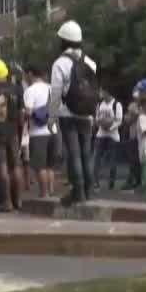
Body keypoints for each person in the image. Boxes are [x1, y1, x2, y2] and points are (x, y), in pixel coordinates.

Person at [49, 20, 98, 206]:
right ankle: (89, 190)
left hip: (68, 114)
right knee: (87, 153)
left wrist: (52, 118)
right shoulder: (90, 63)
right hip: (87, 114)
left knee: (74, 154)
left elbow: (55, 93)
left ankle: (78, 192)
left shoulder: (60, 64)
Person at [0, 59, 24, 212]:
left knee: (2, 166)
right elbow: (22, 113)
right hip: (13, 130)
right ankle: (19, 200)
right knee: (16, 165)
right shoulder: (16, 88)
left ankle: (7, 202)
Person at [23, 67, 55, 199]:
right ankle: (51, 191)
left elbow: (29, 112)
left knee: (40, 166)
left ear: (31, 74)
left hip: (38, 132)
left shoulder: (30, 91)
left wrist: (24, 114)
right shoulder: (52, 88)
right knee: (49, 165)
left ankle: (44, 193)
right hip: (53, 130)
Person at [93, 87, 124, 192]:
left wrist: (109, 126)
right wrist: (100, 123)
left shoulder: (117, 104)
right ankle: (95, 181)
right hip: (101, 134)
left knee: (112, 160)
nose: (100, 93)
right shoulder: (99, 104)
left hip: (113, 135)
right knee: (96, 158)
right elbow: (97, 118)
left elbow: (119, 120)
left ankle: (111, 182)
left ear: (107, 92)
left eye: (102, 91)